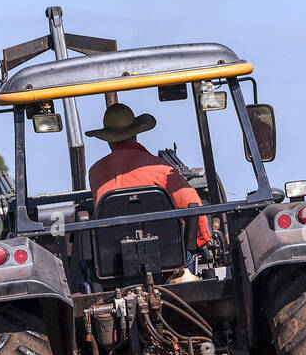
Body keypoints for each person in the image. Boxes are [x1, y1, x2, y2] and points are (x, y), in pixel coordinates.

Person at [86, 104, 212, 265]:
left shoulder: (95, 172)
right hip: (165, 257)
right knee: (187, 257)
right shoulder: (160, 168)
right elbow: (191, 204)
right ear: (136, 134)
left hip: (114, 261)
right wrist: (202, 241)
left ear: (108, 140)